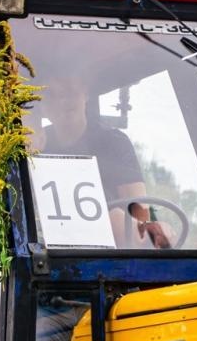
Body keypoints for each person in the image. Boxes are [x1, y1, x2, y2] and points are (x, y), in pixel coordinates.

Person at [37, 76, 173, 249]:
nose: (63, 100)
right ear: (40, 105)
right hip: (47, 256)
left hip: (110, 256)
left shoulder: (113, 143)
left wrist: (150, 228)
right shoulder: (31, 148)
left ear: (85, 93)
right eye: (51, 95)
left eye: (70, 91)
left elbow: (139, 209)